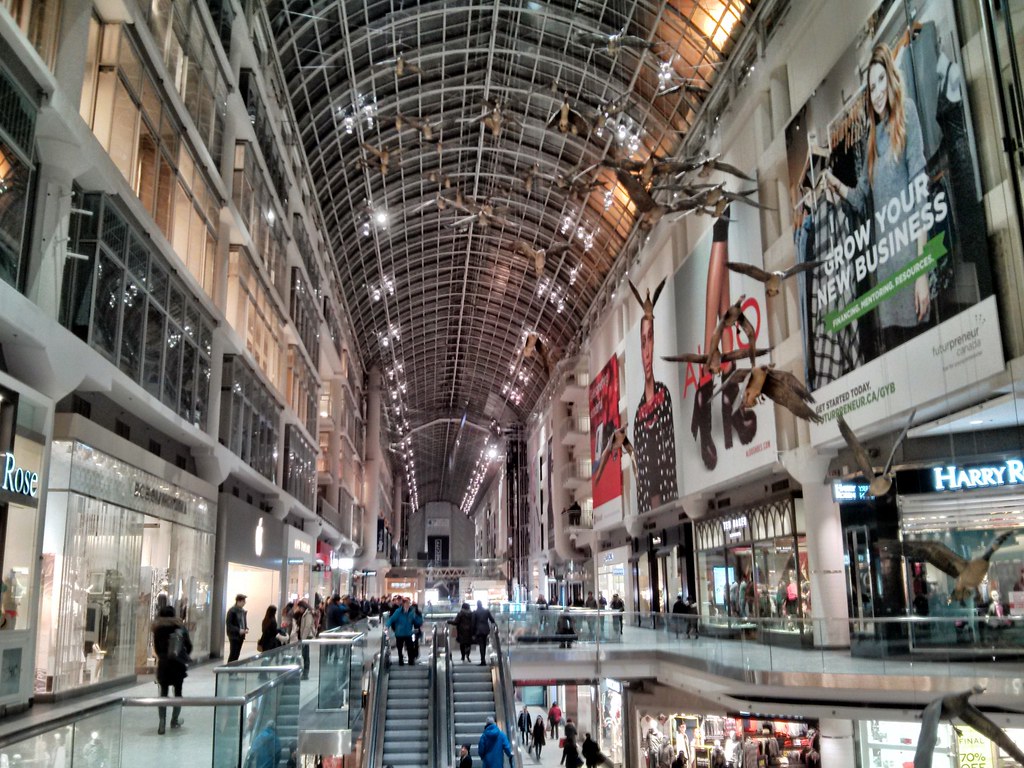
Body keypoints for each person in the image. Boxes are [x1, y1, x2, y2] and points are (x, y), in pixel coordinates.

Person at [825, 42, 929, 352]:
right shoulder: (872, 138)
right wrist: (836, 185)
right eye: (872, 87)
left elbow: (921, 196)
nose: (878, 91)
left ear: (891, 78)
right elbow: (860, 200)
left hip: (911, 263)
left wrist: (922, 273)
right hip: (886, 274)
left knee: (922, 355)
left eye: (881, 81)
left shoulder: (906, 113)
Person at [629, 279, 678, 513]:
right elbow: (641, 468)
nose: (647, 352)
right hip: (648, 507)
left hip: (670, 496)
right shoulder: (638, 414)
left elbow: (669, 453)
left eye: (650, 340)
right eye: (642, 342)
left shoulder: (665, 395)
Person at [151, 603, 190, 734]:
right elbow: (189, 646)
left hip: (163, 665)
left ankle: (162, 722)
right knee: (178, 693)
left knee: (163, 693)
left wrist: (163, 656)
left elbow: (156, 649)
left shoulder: (157, 629)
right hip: (178, 665)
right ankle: (174, 720)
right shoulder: (180, 627)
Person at [386, 596, 422, 665]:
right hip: (399, 633)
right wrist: (386, 626)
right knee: (400, 648)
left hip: (408, 633)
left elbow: (417, 621)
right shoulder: (398, 611)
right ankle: (401, 660)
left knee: (410, 647)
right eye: (406, 603)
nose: (408, 605)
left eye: (409, 603)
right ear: (403, 604)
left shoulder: (411, 612)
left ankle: (411, 661)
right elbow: (392, 619)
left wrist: (419, 618)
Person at [294, 600, 316, 679]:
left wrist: (303, 639)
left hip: (306, 638)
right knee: (304, 655)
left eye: (299, 608)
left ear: (303, 607)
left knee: (306, 656)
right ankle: (304, 673)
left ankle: (305, 674)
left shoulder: (308, 614)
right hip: (303, 637)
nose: (299, 609)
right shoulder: (303, 614)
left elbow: (307, 627)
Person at [473, 600, 497, 666]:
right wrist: (495, 626)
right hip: (486, 630)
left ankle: (483, 661)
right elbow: (492, 620)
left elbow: (473, 623)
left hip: (478, 630)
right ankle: (483, 660)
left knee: (481, 645)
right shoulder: (486, 611)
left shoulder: (475, 612)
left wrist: (473, 632)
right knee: (484, 644)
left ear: (477, 605)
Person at [226, 594, 248, 662]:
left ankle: (233, 669)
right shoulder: (232, 611)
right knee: (233, 653)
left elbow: (243, 622)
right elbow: (229, 624)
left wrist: (246, 628)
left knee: (237, 654)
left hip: (241, 636)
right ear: (238, 601)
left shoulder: (242, 611)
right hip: (234, 636)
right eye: (243, 601)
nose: (244, 603)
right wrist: (238, 630)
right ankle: (229, 669)